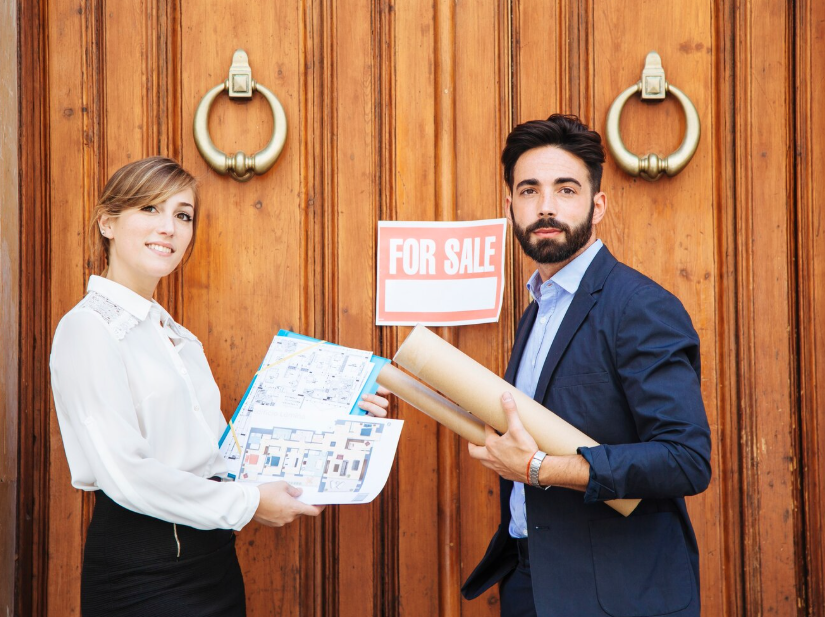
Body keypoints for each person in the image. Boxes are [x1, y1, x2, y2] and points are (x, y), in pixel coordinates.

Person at [49, 157, 390, 616]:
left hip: (214, 562)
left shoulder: (177, 337)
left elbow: (226, 456)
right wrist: (249, 503)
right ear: (107, 222)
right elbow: (127, 475)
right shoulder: (88, 328)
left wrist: (339, 424)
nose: (168, 227)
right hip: (144, 572)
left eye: (183, 215)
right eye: (149, 209)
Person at [462, 115, 712, 617]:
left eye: (566, 189)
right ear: (510, 207)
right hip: (530, 581)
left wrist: (538, 469)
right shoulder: (539, 307)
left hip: (617, 596)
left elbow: (685, 459)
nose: (546, 206)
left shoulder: (638, 306)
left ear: (597, 206)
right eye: (529, 190)